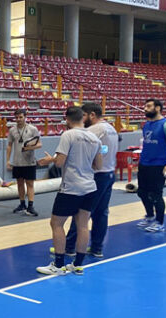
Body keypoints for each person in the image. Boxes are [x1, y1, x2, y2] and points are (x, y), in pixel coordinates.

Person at [36, 107, 102, 276]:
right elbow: (98, 166)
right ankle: (78, 265)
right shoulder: (95, 138)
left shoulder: (68, 135)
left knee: (56, 224)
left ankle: (58, 265)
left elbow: (59, 163)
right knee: (83, 226)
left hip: (71, 188)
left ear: (67, 120)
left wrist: (51, 159)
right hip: (90, 187)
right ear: (83, 118)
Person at [62, 103, 118, 258]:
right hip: (108, 174)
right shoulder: (111, 128)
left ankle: (70, 246)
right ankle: (97, 248)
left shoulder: (93, 130)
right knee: (101, 213)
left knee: (81, 214)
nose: (82, 119)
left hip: (96, 175)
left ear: (92, 115)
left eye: (84, 116)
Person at [136, 98, 166, 233]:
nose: (145, 108)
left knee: (156, 194)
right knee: (141, 192)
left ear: (157, 108)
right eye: (145, 106)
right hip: (144, 163)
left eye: (149, 106)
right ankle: (150, 216)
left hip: (159, 165)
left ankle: (160, 222)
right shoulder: (146, 125)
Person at [6, 109, 42, 216]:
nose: (18, 119)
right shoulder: (12, 130)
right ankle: (22, 204)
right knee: (20, 184)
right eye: (16, 117)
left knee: (30, 184)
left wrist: (29, 147)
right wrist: (8, 160)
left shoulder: (33, 129)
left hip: (29, 162)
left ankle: (30, 206)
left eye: (20, 117)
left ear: (25, 117)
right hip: (17, 162)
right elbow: (9, 146)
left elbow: (39, 144)